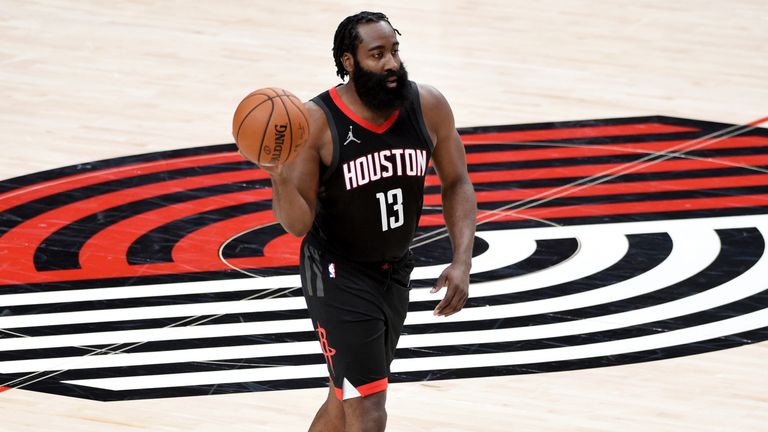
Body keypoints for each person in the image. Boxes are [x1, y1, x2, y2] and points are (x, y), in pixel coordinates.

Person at [259, 11, 477, 432]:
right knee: (369, 411)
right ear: (348, 61)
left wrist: (462, 260)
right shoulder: (317, 122)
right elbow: (297, 224)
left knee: (346, 400)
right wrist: (279, 175)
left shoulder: (427, 105)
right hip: (337, 273)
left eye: (394, 50)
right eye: (377, 54)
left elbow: (457, 181)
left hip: (393, 271)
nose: (392, 63)